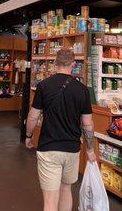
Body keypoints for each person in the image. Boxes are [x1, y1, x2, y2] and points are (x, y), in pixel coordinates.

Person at [26, 48, 96, 211]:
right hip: (72, 149)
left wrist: (28, 136)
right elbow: (88, 124)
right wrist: (91, 149)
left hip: (49, 148)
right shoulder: (82, 90)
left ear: (55, 63)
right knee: (66, 190)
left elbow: (32, 116)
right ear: (73, 64)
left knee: (50, 200)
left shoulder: (44, 86)